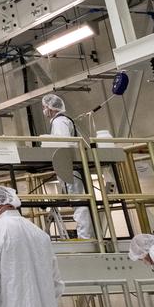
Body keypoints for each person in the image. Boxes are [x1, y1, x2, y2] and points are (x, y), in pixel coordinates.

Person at [41, 92, 93, 240]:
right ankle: (85, 235)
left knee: (79, 202)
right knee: (77, 201)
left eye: (44, 107)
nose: (44, 111)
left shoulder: (60, 121)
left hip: (69, 166)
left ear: (51, 108)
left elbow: (62, 142)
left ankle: (85, 237)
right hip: (67, 165)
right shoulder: (60, 121)